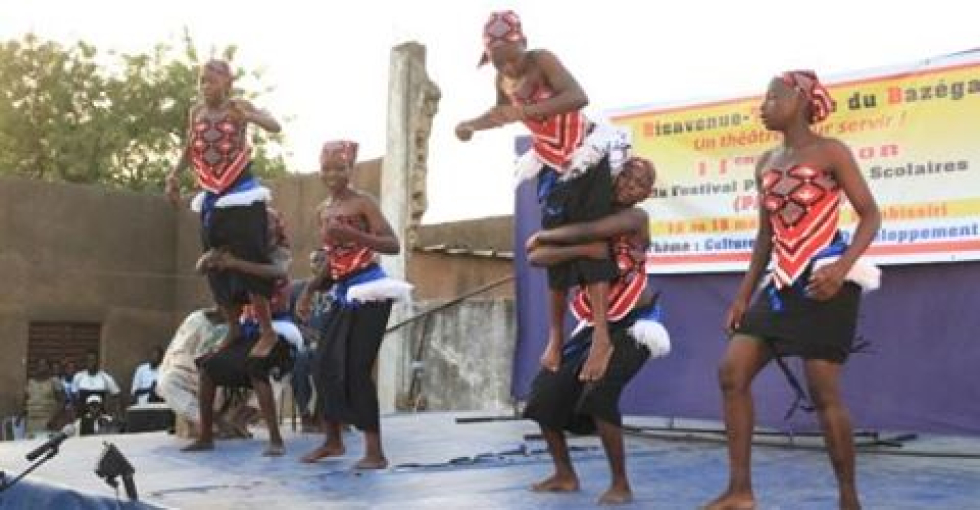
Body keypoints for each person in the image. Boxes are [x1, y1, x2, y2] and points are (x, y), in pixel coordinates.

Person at [704, 71, 881, 510]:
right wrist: (744, 296)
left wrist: (841, 269)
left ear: (800, 100)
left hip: (825, 281)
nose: (762, 106)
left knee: (824, 392)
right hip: (780, 283)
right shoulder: (765, 162)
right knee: (732, 372)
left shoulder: (831, 151)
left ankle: (848, 499)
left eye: (772, 97)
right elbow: (765, 238)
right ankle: (740, 491)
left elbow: (871, 215)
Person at [456, 10, 627, 384]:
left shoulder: (544, 59)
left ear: (523, 44)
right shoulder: (502, 80)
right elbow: (500, 113)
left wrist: (523, 110)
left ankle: (601, 336)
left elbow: (577, 97)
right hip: (550, 164)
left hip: (584, 157)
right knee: (555, 258)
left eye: (512, 56)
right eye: (499, 61)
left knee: (593, 239)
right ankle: (555, 333)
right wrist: (472, 125)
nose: (509, 65)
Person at [523, 157, 669, 505]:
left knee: (600, 394)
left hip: (636, 324)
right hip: (593, 323)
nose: (629, 186)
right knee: (544, 393)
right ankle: (564, 474)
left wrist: (545, 235)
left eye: (639, 185)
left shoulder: (636, 218)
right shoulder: (591, 212)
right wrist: (579, 251)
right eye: (626, 177)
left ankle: (621, 483)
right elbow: (537, 259)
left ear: (646, 195)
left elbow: (588, 236)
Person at [297, 140, 412, 469]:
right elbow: (332, 263)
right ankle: (333, 441)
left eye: (339, 168)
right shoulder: (323, 210)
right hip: (342, 292)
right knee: (322, 364)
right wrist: (308, 291)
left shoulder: (363, 203)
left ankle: (375, 451)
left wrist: (355, 235)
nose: (332, 174)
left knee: (357, 370)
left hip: (371, 290)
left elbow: (391, 244)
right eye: (327, 168)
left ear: (351, 169)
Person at [165, 58, 283, 363]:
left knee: (250, 256)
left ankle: (267, 330)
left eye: (212, 80)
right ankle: (233, 326)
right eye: (202, 80)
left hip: (241, 192)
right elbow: (191, 147)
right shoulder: (196, 113)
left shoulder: (238, 106)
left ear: (227, 83)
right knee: (215, 262)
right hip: (212, 195)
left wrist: (253, 117)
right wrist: (175, 174)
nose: (205, 86)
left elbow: (274, 125)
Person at [182, 207, 303, 457]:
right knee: (208, 366)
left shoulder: (277, 253)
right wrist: (211, 260)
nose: (263, 229)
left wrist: (238, 264)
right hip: (248, 330)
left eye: (267, 224)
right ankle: (206, 436)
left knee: (257, 366)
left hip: (278, 329)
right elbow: (200, 268)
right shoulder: (236, 250)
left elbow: (278, 273)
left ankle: (275, 439)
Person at [71, 350, 121, 420]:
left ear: (98, 362)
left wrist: (116, 414)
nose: (91, 363)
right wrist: (74, 417)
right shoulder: (78, 376)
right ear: (85, 362)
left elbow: (116, 395)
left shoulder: (105, 377)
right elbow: (73, 400)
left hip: (100, 417)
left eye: (93, 360)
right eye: (89, 360)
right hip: (83, 416)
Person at [23, 358, 65, 438]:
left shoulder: (54, 381)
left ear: (49, 368)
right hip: (31, 422)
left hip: (48, 421)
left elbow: (62, 401)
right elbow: (25, 401)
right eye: (39, 365)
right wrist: (21, 415)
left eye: (44, 365)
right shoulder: (30, 382)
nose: (41, 367)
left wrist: (54, 418)